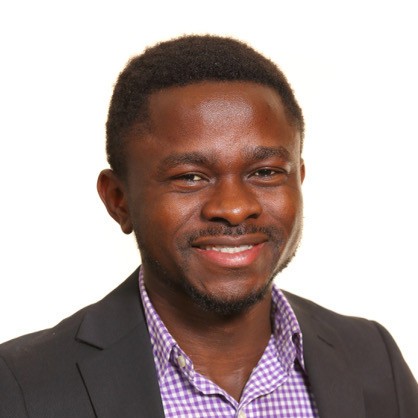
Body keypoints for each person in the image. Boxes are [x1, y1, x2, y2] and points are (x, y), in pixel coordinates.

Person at [0, 35, 417, 418]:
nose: (234, 209)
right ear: (118, 200)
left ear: (299, 180)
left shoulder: (372, 357)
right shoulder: (21, 386)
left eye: (266, 172)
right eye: (190, 177)